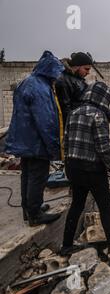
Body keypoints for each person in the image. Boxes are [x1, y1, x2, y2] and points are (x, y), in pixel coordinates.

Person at [5, 51, 64, 226]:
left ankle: (29, 209)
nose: (58, 76)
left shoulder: (27, 82)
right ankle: (35, 215)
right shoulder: (41, 88)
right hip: (36, 141)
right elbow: (45, 121)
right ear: (50, 71)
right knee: (38, 176)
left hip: (24, 140)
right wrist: (54, 147)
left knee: (27, 175)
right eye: (57, 72)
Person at [61, 82, 110, 255]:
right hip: (93, 170)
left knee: (76, 205)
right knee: (105, 207)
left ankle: (66, 245)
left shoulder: (73, 113)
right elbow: (103, 147)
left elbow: (66, 142)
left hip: (73, 168)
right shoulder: (98, 116)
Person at [55, 52, 92, 125]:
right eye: (86, 69)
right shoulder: (63, 80)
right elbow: (65, 109)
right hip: (70, 125)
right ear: (77, 66)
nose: (88, 72)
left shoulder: (78, 79)